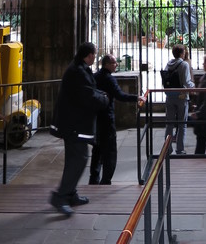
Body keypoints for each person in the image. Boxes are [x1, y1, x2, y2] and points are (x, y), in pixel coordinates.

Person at [49, 42, 109, 216]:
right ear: (89, 55)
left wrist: (99, 95)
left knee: (74, 160)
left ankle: (70, 194)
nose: (95, 57)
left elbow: (87, 91)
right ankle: (60, 197)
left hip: (73, 124)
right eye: (94, 55)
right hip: (73, 125)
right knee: (79, 159)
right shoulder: (78, 72)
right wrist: (104, 99)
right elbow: (88, 95)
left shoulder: (78, 68)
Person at [89, 54, 144, 185]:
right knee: (110, 151)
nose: (116, 65)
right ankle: (106, 180)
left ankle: (94, 179)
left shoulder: (94, 76)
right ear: (107, 64)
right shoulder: (109, 79)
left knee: (97, 149)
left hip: (96, 117)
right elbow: (120, 95)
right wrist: (136, 97)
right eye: (114, 63)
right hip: (107, 118)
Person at [163, 44, 195, 154]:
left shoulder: (168, 64)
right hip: (182, 97)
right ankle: (180, 149)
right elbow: (187, 82)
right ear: (182, 53)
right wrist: (193, 87)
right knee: (182, 124)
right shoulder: (184, 64)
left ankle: (167, 149)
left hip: (170, 96)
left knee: (169, 124)